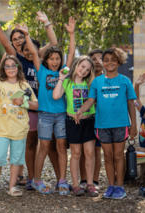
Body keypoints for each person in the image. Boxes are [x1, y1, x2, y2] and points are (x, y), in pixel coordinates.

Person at [0, 10, 61, 189]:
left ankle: (59, 179)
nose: (23, 46)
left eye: (23, 39)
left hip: (44, 105)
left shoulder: (39, 58)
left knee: (50, 145)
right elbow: (6, 45)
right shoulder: (17, 58)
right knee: (29, 143)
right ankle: (31, 178)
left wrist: (46, 23)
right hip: (25, 107)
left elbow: (54, 43)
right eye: (17, 40)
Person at [14, 17, 76, 195]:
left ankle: (62, 181)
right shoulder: (41, 70)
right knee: (44, 147)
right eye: (51, 59)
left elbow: (71, 54)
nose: (55, 61)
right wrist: (26, 35)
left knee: (61, 146)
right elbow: (33, 52)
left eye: (57, 58)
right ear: (46, 60)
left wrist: (72, 34)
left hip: (62, 114)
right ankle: (37, 180)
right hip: (45, 115)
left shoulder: (64, 71)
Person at [75, 48, 137, 199]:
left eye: (113, 60)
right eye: (106, 60)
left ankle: (120, 187)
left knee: (118, 156)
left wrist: (133, 124)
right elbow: (91, 100)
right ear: (103, 62)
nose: (109, 63)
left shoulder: (125, 81)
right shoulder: (97, 81)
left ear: (119, 62)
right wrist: (80, 110)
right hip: (102, 125)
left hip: (121, 124)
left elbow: (130, 104)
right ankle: (111, 185)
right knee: (108, 156)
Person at [0, 55, 38, 196]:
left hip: (20, 129)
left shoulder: (24, 85)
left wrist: (24, 102)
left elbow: (36, 105)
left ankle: (12, 187)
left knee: (16, 159)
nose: (11, 68)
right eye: (7, 66)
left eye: (13, 65)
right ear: (3, 69)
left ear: (18, 67)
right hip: (2, 129)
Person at [53, 55, 98, 197]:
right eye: (82, 66)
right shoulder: (67, 82)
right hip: (73, 122)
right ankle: (76, 185)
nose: (84, 71)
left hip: (89, 121)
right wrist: (61, 78)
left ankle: (90, 184)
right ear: (77, 65)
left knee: (90, 152)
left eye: (87, 69)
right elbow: (56, 96)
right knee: (76, 154)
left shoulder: (91, 83)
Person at [79, 49, 105, 190]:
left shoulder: (107, 79)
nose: (98, 61)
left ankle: (94, 181)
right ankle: (83, 179)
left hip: (100, 119)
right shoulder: (84, 78)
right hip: (85, 117)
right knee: (84, 150)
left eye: (101, 58)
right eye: (94, 58)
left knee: (96, 150)